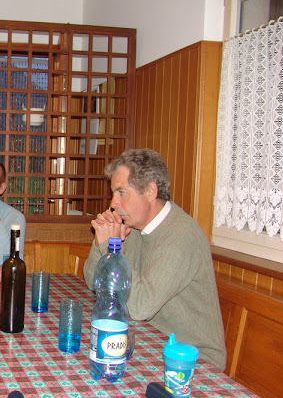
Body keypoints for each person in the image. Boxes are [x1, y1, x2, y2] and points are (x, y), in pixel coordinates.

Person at [82, 148, 227, 371]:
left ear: (150, 191)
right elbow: (93, 282)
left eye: (122, 193)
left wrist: (108, 248)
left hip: (192, 360)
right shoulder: (133, 227)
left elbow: (140, 306)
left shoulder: (181, 236)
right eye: (113, 194)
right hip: (148, 342)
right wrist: (103, 243)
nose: (113, 203)